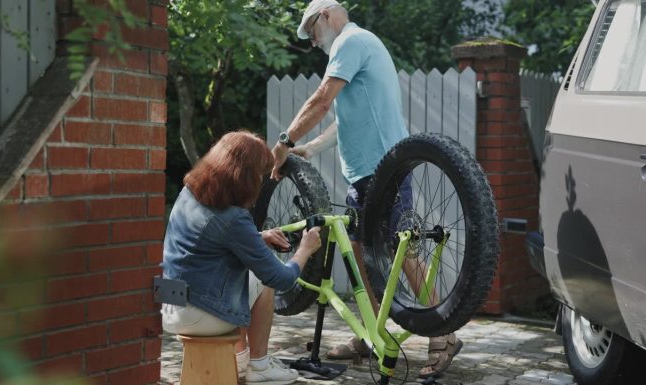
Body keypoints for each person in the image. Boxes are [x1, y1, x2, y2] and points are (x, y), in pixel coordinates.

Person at [270, 0, 462, 378]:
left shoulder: (350, 42)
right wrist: (312, 148)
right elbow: (344, 120)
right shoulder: (356, 49)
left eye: (311, 33)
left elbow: (321, 100)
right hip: (365, 176)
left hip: (384, 169)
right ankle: (373, 336)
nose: (312, 43)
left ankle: (444, 336)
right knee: (361, 256)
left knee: (398, 249)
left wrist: (285, 140)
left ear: (324, 15)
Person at [161, 131, 322, 385]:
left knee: (243, 275)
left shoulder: (189, 193)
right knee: (261, 278)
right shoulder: (234, 218)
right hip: (199, 313)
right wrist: (305, 248)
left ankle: (240, 360)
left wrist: (257, 237)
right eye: (258, 176)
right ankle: (259, 366)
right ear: (244, 177)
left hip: (171, 305)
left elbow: (208, 241)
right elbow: (281, 279)